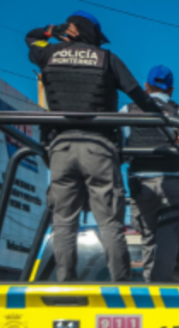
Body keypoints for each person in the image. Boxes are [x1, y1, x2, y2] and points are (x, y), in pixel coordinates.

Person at [26, 11, 164, 282]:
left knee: (64, 222)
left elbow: (31, 38)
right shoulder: (107, 59)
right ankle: (121, 285)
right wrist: (164, 126)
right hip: (99, 148)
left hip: (61, 148)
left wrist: (53, 30)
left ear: (71, 30)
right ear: (95, 36)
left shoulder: (50, 53)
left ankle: (65, 284)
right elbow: (140, 96)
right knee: (110, 223)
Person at [121, 65, 179, 282]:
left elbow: (119, 145)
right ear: (171, 90)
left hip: (141, 185)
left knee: (148, 237)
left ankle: (150, 285)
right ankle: (159, 286)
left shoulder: (127, 111)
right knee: (167, 239)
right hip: (173, 183)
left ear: (146, 87)